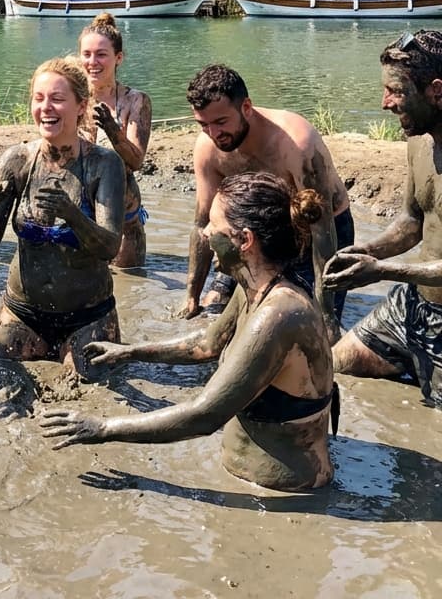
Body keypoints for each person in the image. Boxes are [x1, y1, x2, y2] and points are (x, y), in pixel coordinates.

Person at [42, 173, 337, 492]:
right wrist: (130, 351)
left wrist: (102, 427)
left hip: (285, 498)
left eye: (214, 225)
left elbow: (205, 415)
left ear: (245, 240)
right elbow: (208, 344)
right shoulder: (256, 284)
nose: (206, 232)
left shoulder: (278, 315)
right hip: (251, 485)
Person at [0, 58, 125, 374]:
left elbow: (110, 247)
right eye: (39, 99)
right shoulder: (17, 159)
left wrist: (72, 215)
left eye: (57, 99)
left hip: (88, 315)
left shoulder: (104, 164)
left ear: (81, 106)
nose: (47, 108)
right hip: (23, 313)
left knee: (94, 389)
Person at [179, 65, 352, 330]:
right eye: (204, 125)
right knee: (211, 314)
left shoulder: (296, 143)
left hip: (320, 232)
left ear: (246, 107)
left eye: (221, 122)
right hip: (256, 238)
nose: (214, 134)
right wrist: (191, 296)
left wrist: (327, 314)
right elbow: (202, 224)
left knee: (302, 325)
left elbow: (322, 230)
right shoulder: (207, 149)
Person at [326, 30, 442, 405]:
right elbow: (412, 221)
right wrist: (363, 252)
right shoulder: (419, 140)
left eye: (396, 91)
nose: (384, 103)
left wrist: (381, 272)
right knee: (334, 366)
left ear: (436, 91)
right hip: (413, 304)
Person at [78, 13, 153, 268]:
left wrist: (112, 130)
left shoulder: (136, 101)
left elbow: (135, 161)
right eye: (86, 54)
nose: (92, 62)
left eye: (101, 54)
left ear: (118, 58)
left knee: (130, 287)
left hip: (123, 221)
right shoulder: (71, 99)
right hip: (80, 218)